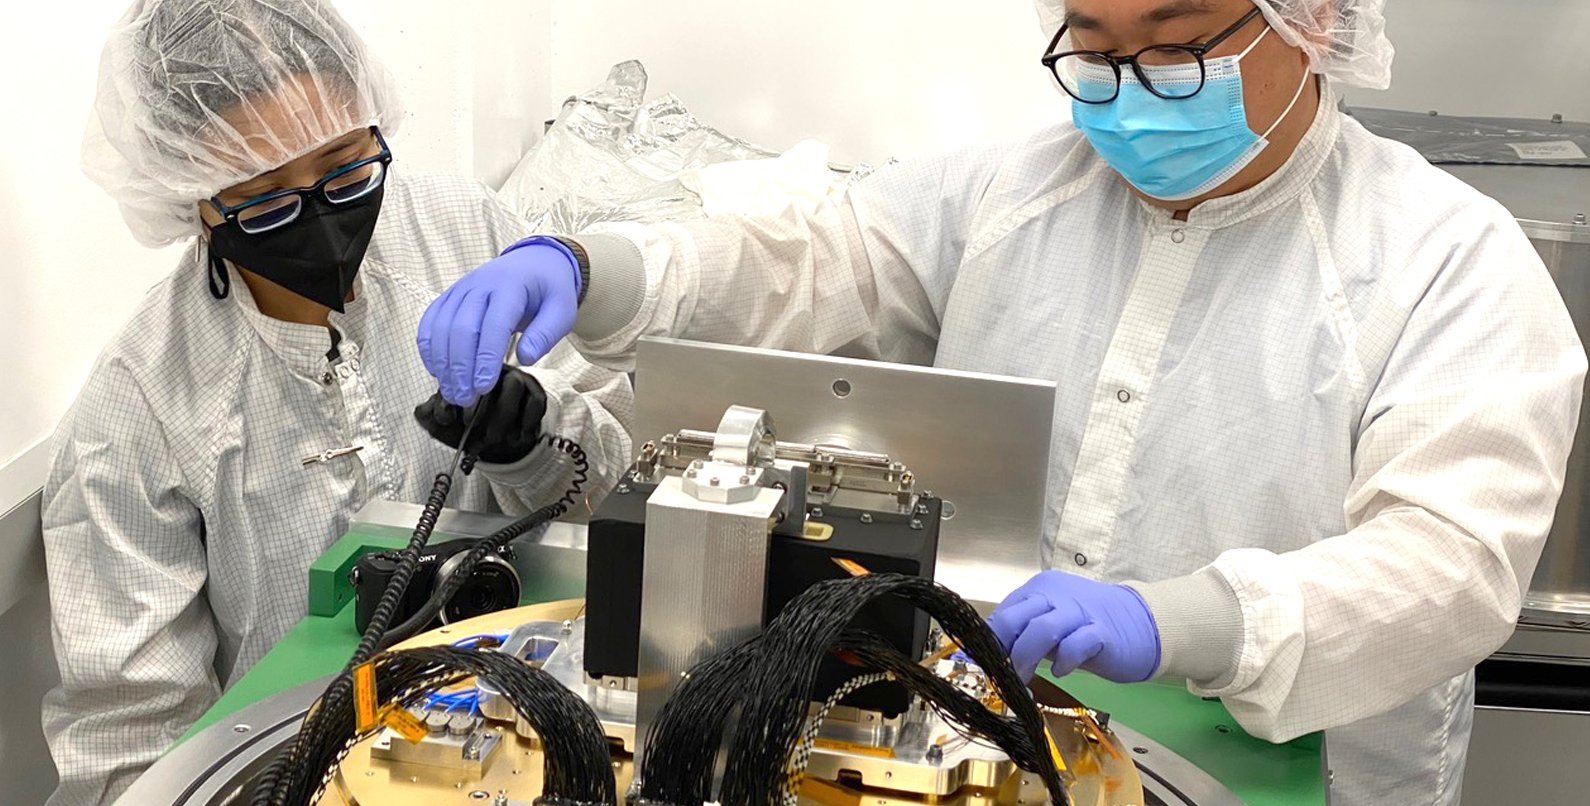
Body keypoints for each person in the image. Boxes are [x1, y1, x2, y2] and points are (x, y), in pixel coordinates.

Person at [419, 0, 1586, 802]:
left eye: (1175, 46)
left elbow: (1450, 564)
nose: (1129, 93)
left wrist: (1186, 618)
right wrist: (597, 267)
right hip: (987, 747)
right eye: (1090, 42)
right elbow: (816, 257)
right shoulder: (1014, 190)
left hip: (1289, 761)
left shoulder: (1449, 260)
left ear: (1316, 23)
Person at [41, 1, 633, 802]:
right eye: (267, 200)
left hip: (537, 729)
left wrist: (532, 442)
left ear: (373, 124)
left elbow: (620, 501)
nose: (321, 217)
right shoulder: (139, 405)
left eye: (347, 169)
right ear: (193, 200)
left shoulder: (464, 235)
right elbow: (131, 743)